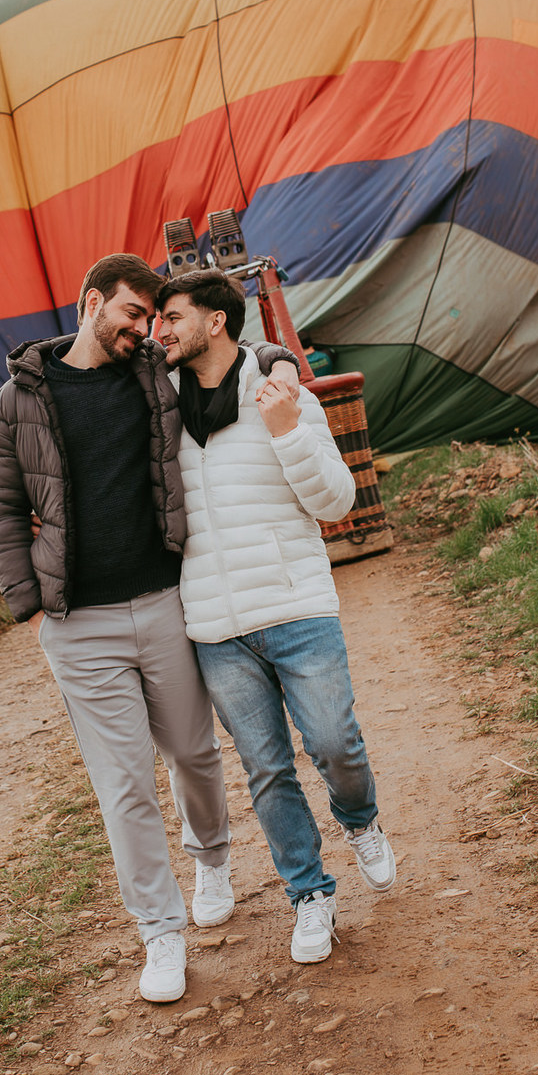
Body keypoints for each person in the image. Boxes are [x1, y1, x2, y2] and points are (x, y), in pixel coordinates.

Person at [0, 253, 299, 1002]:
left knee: (192, 751)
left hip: (164, 601)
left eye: (152, 319)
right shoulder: (16, 400)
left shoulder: (155, 372)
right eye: (130, 313)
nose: (142, 330)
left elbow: (235, 355)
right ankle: (159, 932)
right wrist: (29, 602)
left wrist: (280, 358)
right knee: (123, 785)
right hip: (80, 626)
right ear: (92, 303)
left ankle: (212, 860)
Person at [156, 268, 395, 965]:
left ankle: (361, 821)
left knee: (334, 743)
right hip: (214, 629)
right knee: (266, 770)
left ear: (216, 321)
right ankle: (310, 896)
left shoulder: (279, 391)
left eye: (172, 317)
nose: (161, 331)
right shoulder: (159, 405)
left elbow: (337, 502)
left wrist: (287, 429)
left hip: (296, 608)